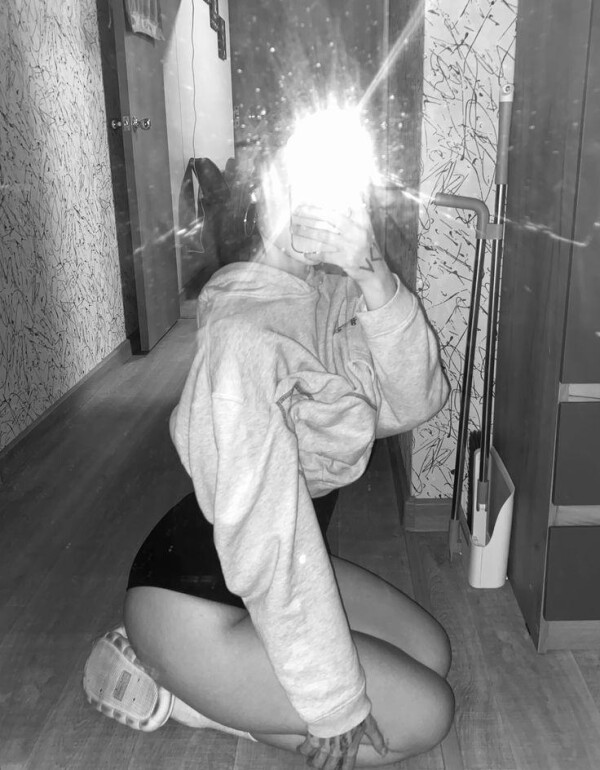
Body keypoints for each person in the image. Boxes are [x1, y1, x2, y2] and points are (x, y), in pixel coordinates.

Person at [83, 116, 454, 769]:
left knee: (432, 653)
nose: (311, 198)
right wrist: (332, 700)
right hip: (195, 604)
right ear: (262, 193)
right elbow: (264, 531)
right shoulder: (242, 335)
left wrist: (374, 278)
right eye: (294, 178)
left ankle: (239, 686)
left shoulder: (332, 293)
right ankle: (186, 694)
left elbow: (416, 402)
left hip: (277, 558)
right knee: (426, 716)